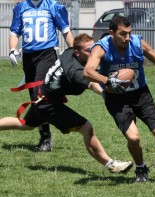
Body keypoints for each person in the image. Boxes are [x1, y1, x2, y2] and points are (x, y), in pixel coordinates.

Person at [83, 15, 155, 182]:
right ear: (111, 32)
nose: (127, 38)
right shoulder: (101, 47)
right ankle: (141, 169)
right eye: (122, 34)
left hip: (141, 94)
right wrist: (108, 81)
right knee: (133, 137)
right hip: (116, 98)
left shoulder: (137, 43)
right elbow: (88, 71)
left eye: (129, 33)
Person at [0, 33, 133, 174]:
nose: (93, 52)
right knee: (86, 127)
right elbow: (93, 84)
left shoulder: (70, 52)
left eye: (93, 48)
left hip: (41, 97)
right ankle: (110, 164)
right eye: (88, 50)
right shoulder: (75, 71)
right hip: (47, 104)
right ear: (77, 52)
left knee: (25, 124)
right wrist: (108, 92)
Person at [9, 0, 74, 152]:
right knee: (33, 96)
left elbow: (66, 31)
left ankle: (46, 137)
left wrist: (74, 53)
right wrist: (13, 49)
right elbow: (14, 32)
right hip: (28, 56)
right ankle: (44, 134)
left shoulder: (53, 5)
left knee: (39, 93)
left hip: (47, 54)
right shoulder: (21, 7)